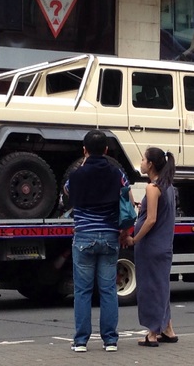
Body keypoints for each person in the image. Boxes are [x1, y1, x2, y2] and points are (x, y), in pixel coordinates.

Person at [68, 130, 126, 353]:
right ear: (106, 150)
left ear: (84, 150)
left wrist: (83, 164)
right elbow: (127, 195)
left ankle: (81, 341)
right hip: (110, 236)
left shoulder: (76, 175)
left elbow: (67, 195)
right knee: (108, 290)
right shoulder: (117, 173)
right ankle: (110, 341)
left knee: (82, 291)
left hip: (83, 237)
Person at [122, 147, 178, 347]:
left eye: (144, 159)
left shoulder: (152, 188)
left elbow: (151, 219)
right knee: (162, 287)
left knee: (151, 289)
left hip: (150, 246)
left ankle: (152, 333)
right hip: (164, 246)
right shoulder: (168, 187)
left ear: (151, 164)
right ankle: (168, 329)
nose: (141, 162)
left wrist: (134, 239)